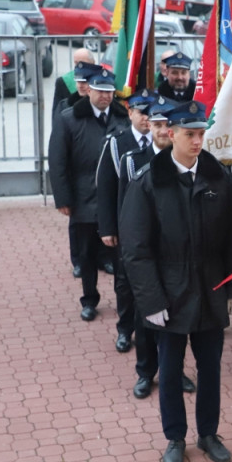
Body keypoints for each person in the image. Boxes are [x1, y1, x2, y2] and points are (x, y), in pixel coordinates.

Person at [119, 101, 232, 462]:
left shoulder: (217, 177)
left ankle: (208, 433)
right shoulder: (147, 182)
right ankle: (175, 437)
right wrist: (151, 300)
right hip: (169, 293)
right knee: (171, 370)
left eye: (201, 133)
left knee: (210, 369)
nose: (197, 140)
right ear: (170, 133)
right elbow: (136, 249)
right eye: (190, 134)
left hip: (210, 290)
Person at [114, 96, 196, 400]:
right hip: (145, 255)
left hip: (177, 257)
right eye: (157, 124)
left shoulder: (186, 162)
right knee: (146, 318)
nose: (162, 130)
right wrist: (116, 237)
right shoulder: (135, 160)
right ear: (150, 125)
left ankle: (174, 372)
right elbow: (121, 202)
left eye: (167, 124)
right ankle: (145, 372)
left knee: (178, 321)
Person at [49, 69, 128, 321]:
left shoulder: (123, 118)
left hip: (117, 199)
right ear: (89, 90)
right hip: (84, 197)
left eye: (109, 91)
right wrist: (63, 198)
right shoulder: (68, 118)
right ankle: (89, 300)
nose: (105, 96)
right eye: (100, 90)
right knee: (86, 253)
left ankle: (123, 302)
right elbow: (58, 161)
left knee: (120, 255)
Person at [96, 89, 156, 352]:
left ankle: (150, 329)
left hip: (156, 228)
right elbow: (105, 188)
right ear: (130, 112)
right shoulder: (116, 143)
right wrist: (108, 228)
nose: (147, 119)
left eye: (151, 114)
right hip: (125, 227)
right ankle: (125, 328)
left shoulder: (164, 143)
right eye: (142, 112)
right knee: (124, 281)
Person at [53, 59, 100, 279]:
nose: (81, 85)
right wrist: (62, 195)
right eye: (79, 80)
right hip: (76, 176)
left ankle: (103, 258)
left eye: (86, 81)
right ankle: (79, 261)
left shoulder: (104, 107)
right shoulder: (66, 106)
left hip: (97, 175)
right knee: (78, 225)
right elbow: (58, 153)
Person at [52, 48, 96, 117]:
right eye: (76, 63)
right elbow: (57, 114)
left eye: (82, 63)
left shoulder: (102, 81)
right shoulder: (63, 82)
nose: (79, 66)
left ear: (93, 63)